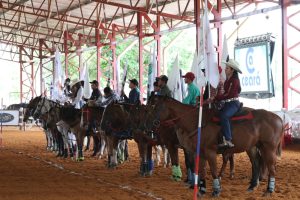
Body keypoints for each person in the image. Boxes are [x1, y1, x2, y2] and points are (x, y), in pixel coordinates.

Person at [211, 59, 242, 148]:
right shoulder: (229, 80)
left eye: (227, 68)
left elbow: (229, 94)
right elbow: (226, 94)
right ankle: (222, 138)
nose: (225, 69)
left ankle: (228, 139)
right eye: (226, 68)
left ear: (232, 70)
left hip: (233, 103)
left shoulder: (234, 80)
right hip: (228, 103)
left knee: (224, 116)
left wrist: (216, 98)